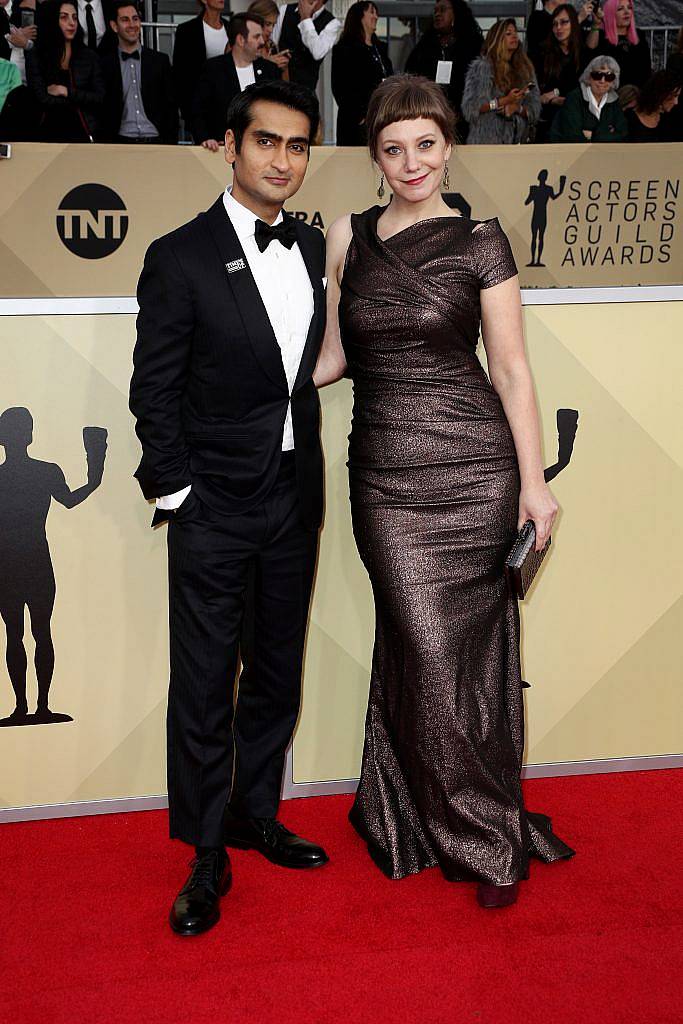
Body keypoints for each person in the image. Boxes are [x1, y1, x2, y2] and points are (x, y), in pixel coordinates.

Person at [314, 73, 574, 910]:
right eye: (392, 150)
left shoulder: (481, 241)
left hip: (474, 466)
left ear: (448, 145)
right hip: (386, 475)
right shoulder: (346, 237)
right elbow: (330, 357)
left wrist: (533, 486)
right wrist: (234, 374)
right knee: (420, 646)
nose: (410, 162)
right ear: (375, 158)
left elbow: (510, 370)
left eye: (424, 144)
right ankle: (425, 811)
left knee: (465, 655)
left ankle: (479, 833)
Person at [129, 80, 329, 937]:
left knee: (275, 674)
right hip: (211, 507)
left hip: (294, 497)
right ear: (229, 146)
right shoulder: (179, 256)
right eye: (266, 143)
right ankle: (206, 854)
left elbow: (299, 371)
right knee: (206, 685)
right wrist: (178, 495)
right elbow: (154, 391)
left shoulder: (314, 247)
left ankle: (254, 814)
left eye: (296, 146)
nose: (282, 160)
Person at [192, 13, 280, 151]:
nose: (262, 42)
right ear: (240, 40)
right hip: (222, 152)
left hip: (263, 152)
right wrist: (205, 139)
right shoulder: (213, 69)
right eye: (256, 37)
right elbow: (198, 110)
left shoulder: (270, 71)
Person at [26, 0, 104, 141]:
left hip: (83, 132)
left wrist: (66, 91)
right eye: (64, 17)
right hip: (46, 133)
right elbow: (40, 97)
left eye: (74, 17)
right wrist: (79, 100)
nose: (71, 23)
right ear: (52, 20)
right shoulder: (37, 55)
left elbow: (99, 98)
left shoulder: (89, 56)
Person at [99, 1, 178, 143]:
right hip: (119, 143)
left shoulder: (160, 61)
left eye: (135, 19)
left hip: (157, 141)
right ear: (114, 26)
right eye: (125, 20)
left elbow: (171, 107)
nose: (132, 25)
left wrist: (170, 142)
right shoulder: (104, 64)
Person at [404, 0, 483, 133]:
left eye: (443, 10)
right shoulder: (425, 45)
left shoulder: (473, 44)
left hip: (465, 120)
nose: (438, 14)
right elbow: (411, 75)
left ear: (456, 13)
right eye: (435, 11)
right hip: (430, 115)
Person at [461, 19, 541, 144]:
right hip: (487, 142)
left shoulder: (526, 69)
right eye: (508, 33)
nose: (514, 36)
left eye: (515, 32)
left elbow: (534, 110)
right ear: (497, 38)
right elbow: (471, 108)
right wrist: (504, 101)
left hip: (518, 141)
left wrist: (517, 108)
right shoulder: (482, 68)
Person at [331, 1, 392, 146]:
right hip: (356, 124)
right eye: (371, 12)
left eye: (376, 13)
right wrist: (360, 117)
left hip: (382, 119)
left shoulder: (380, 48)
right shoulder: (345, 48)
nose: (376, 16)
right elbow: (339, 87)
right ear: (359, 16)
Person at [533, 4, 591, 142]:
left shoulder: (581, 51)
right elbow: (542, 92)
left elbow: (580, 83)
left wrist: (557, 92)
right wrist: (555, 96)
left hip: (577, 114)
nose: (558, 28)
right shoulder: (543, 52)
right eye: (555, 24)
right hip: (549, 117)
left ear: (574, 23)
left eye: (564, 22)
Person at [171, 0, 229, 132]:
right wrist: (188, 112)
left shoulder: (230, 28)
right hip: (200, 108)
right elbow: (180, 74)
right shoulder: (187, 30)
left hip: (227, 106)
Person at [550, 54, 627, 141]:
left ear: (614, 80)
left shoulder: (614, 101)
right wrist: (607, 133)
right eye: (597, 75)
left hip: (604, 153)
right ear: (589, 77)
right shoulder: (574, 98)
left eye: (609, 77)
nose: (602, 81)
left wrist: (592, 135)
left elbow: (622, 134)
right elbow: (573, 136)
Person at [271, 0, 340, 92]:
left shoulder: (332, 23)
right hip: (279, 86)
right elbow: (272, 42)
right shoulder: (285, 10)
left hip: (306, 91)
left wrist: (306, 19)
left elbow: (318, 52)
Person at [592, 0, 651, 90]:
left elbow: (646, 71)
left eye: (629, 8)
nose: (627, 12)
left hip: (637, 94)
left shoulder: (640, 36)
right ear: (610, 13)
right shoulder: (601, 38)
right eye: (620, 9)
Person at [625, 69, 680, 142]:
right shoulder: (628, 119)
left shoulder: (671, 120)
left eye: (677, 96)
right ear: (661, 94)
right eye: (673, 96)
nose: (676, 102)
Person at [247, 0, 290, 75]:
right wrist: (267, 63)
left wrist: (284, 68)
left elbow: (284, 84)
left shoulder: (272, 46)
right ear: (253, 19)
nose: (271, 30)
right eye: (267, 24)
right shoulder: (240, 44)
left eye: (273, 25)